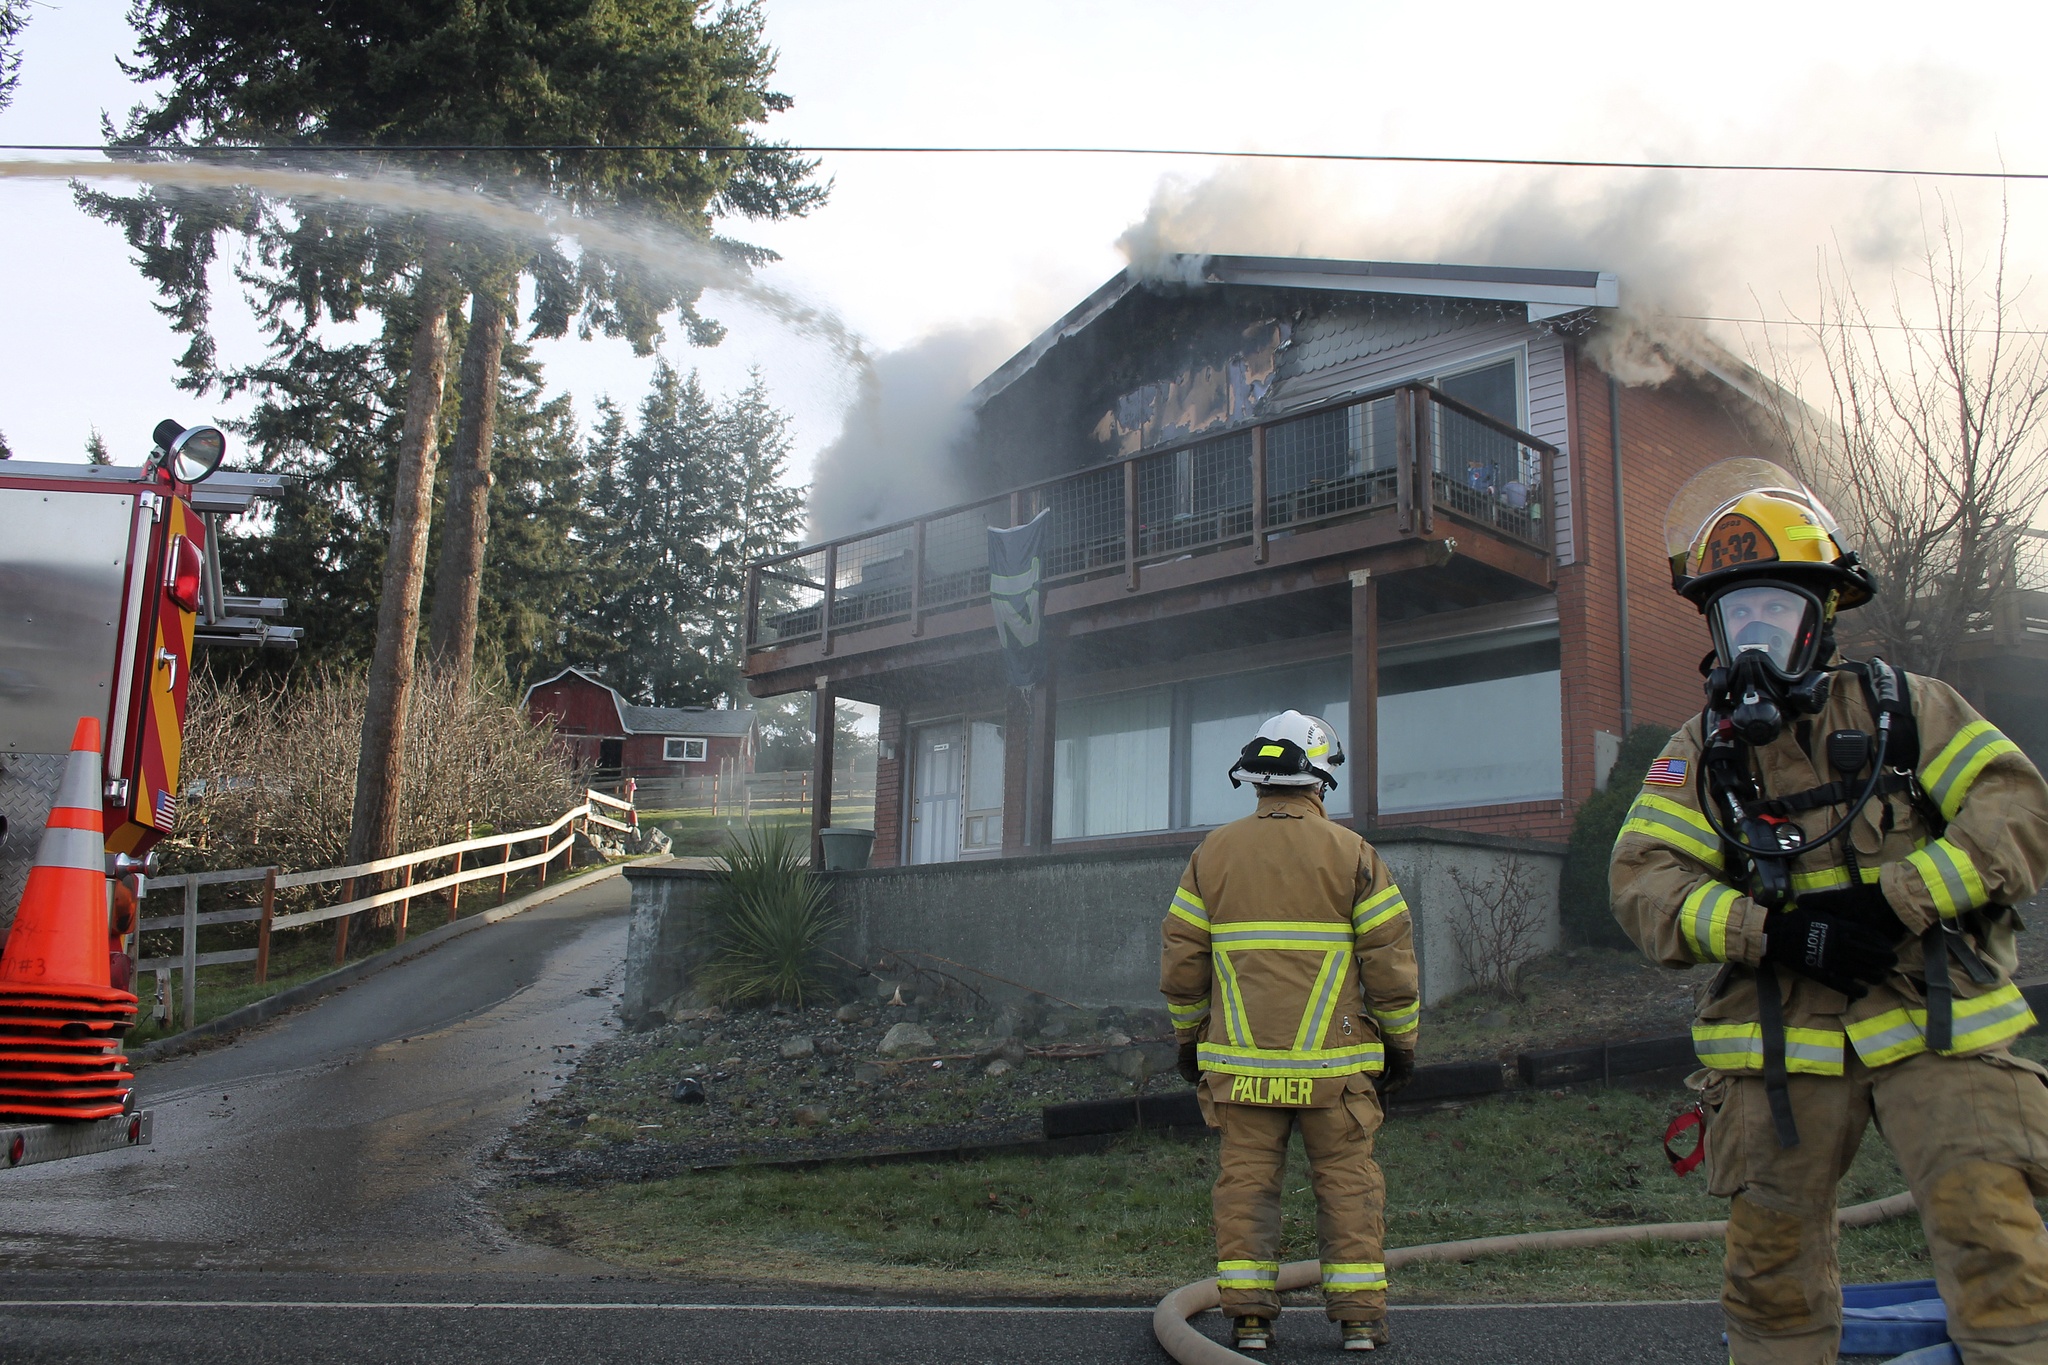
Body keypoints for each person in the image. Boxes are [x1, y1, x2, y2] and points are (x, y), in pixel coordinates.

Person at [1611, 457, 2048, 1365]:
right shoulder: (1699, 754)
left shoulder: (1909, 711)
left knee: (1994, 1238)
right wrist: (1771, 931)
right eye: (1739, 616)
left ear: (1825, 615)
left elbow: (2020, 809)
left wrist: (1901, 901)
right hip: (1779, 1046)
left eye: (1778, 611)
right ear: (1715, 627)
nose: (1757, 639)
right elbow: (1642, 879)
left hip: (1937, 1025)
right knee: (1769, 1270)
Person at [1161, 710, 1419, 1352]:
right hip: (1336, 1073)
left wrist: (1189, 1040)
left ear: (1256, 781)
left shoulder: (1211, 854)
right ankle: (1359, 1320)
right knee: (1348, 1184)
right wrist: (1401, 1044)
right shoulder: (1353, 854)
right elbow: (1390, 964)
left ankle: (1249, 1321)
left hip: (1242, 1072)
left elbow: (1182, 961)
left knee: (1247, 1186)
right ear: (1320, 780)